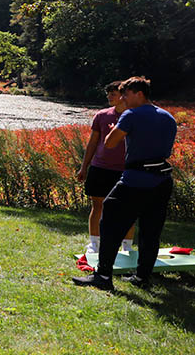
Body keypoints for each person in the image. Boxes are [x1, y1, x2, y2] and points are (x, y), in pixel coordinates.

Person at [74, 76, 177, 291]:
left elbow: (110, 142)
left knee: (110, 219)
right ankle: (142, 277)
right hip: (163, 181)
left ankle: (103, 276)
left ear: (139, 94)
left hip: (136, 179)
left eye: (126, 94)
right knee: (151, 230)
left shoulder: (131, 114)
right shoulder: (168, 117)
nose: (122, 98)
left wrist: (120, 128)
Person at [75, 82, 133, 255]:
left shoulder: (134, 116)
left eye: (113, 94)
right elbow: (93, 142)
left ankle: (127, 246)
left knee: (127, 209)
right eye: (108, 94)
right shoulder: (101, 116)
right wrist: (84, 167)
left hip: (126, 170)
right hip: (100, 167)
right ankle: (94, 244)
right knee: (97, 205)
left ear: (123, 95)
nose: (109, 97)